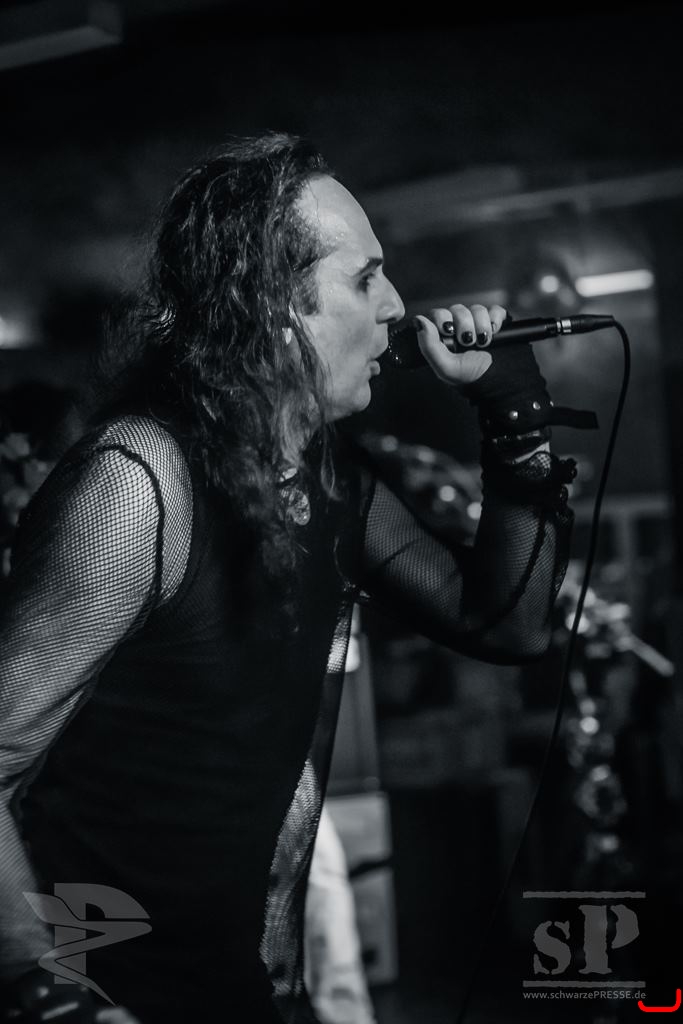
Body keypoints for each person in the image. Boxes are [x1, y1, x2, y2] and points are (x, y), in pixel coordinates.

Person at [0, 132, 578, 1024]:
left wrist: (511, 417)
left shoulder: (328, 477)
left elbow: (505, 623)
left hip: (235, 982)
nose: (396, 307)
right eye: (364, 279)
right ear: (273, 307)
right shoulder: (140, 483)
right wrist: (42, 991)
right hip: (117, 987)